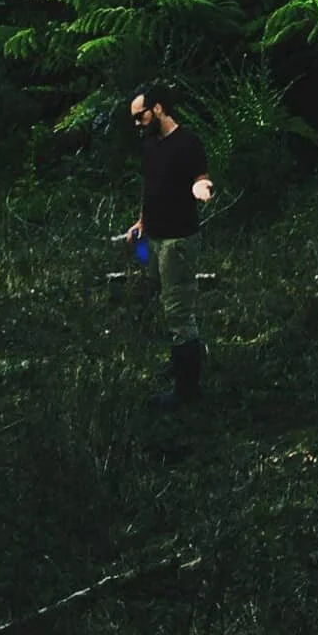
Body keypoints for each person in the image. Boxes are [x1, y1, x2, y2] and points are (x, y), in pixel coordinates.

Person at [125, 82, 213, 408]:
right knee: (162, 302)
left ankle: (188, 393)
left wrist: (203, 188)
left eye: (141, 116)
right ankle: (179, 368)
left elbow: (200, 178)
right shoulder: (150, 147)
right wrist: (141, 224)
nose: (138, 123)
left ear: (158, 108)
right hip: (154, 240)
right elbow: (150, 190)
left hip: (179, 241)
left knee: (179, 312)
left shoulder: (187, 143)